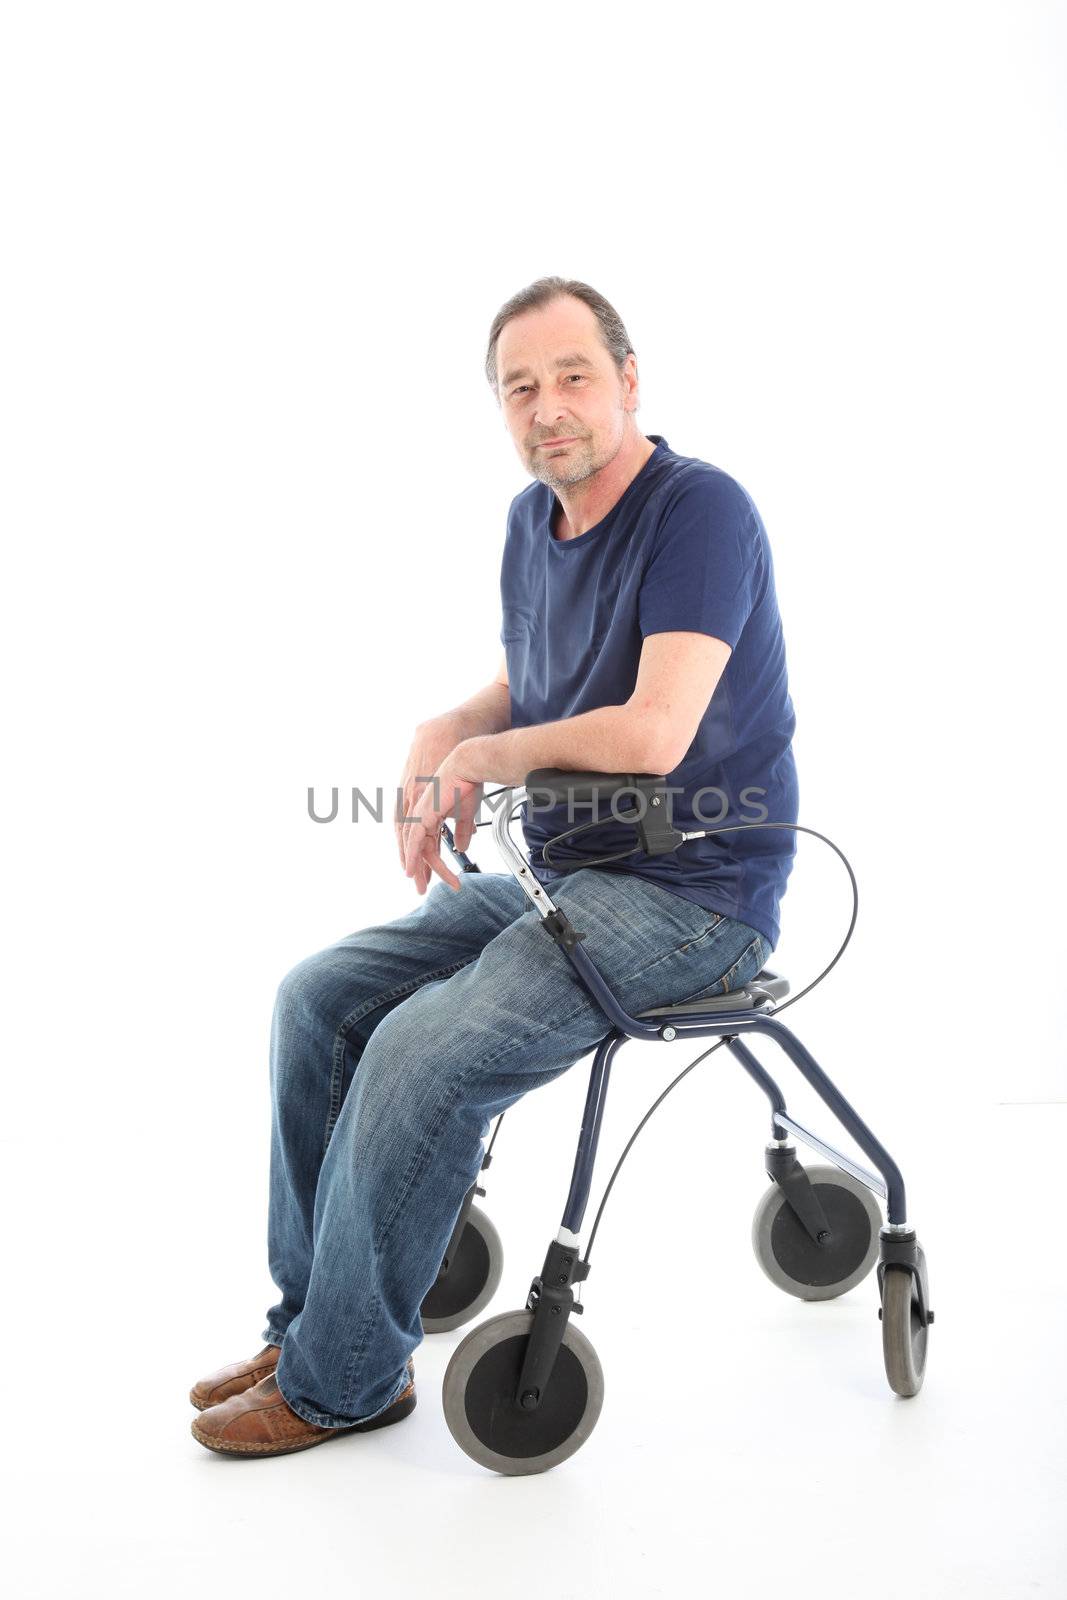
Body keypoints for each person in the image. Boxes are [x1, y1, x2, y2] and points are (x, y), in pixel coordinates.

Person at [190, 275, 799, 1458]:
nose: (547, 406)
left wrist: (488, 753)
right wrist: (444, 729)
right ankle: (314, 1322)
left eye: (572, 375)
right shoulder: (534, 522)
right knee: (319, 1000)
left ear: (628, 382)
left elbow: (650, 730)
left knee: (420, 1049)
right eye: (518, 387)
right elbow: (539, 685)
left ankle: (344, 1384)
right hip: (567, 880)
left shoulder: (699, 512)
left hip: (693, 893)